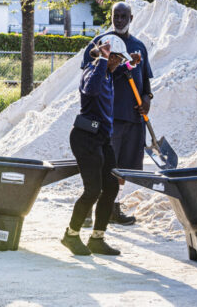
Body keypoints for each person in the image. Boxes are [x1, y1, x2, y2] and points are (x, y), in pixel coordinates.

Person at [61, 34, 137, 256]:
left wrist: (132, 63)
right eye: (117, 59)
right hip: (85, 138)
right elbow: (91, 90)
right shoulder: (92, 72)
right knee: (92, 189)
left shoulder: (109, 74)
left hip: (102, 139)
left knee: (111, 186)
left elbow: (121, 70)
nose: (119, 64)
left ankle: (97, 238)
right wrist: (102, 59)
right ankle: (71, 234)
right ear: (109, 56)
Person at [80, 1, 154, 226]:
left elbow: (146, 85)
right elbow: (90, 77)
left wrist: (147, 100)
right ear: (110, 17)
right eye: (116, 16)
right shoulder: (101, 43)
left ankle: (112, 208)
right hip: (107, 118)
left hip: (133, 119)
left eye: (124, 16)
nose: (119, 20)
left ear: (131, 18)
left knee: (122, 169)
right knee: (101, 166)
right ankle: (86, 211)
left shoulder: (139, 47)